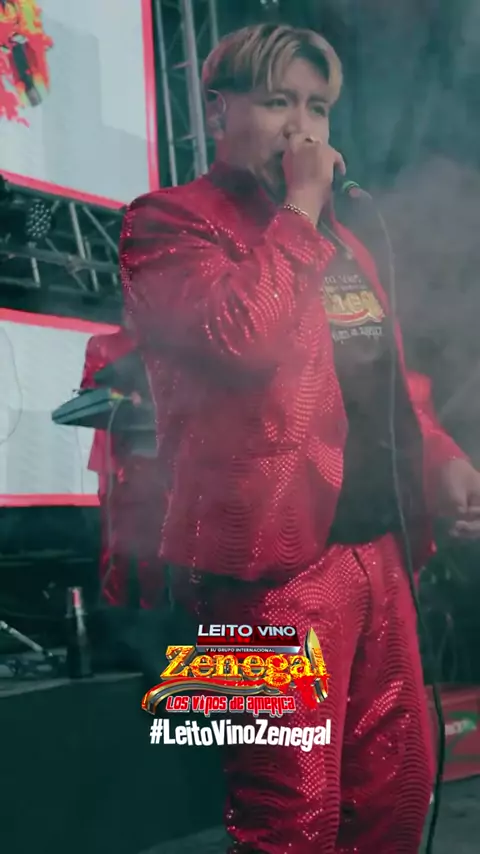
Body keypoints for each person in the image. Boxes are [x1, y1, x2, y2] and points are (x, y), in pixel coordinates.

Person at [120, 23, 480, 854]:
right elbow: (240, 339)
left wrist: (442, 460)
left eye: (318, 108)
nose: (303, 128)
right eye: (279, 101)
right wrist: (302, 208)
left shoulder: (345, 243)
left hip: (379, 554)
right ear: (218, 110)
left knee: (397, 798)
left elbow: (388, 387)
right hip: (258, 574)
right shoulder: (164, 221)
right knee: (287, 817)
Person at [80, 323, 165, 611]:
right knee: (116, 536)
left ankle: (152, 610)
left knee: (152, 534)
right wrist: (126, 395)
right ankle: (113, 608)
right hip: (113, 455)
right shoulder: (101, 343)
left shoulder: (162, 345)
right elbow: (90, 388)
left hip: (152, 455)